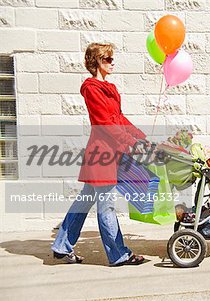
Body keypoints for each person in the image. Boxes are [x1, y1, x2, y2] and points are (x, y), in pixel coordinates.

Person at [51, 43, 150, 266]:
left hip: (110, 152)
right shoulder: (92, 88)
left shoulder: (110, 88)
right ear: (96, 61)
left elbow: (119, 117)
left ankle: (61, 245)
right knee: (106, 206)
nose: (112, 63)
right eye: (107, 59)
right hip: (102, 155)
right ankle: (119, 255)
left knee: (85, 200)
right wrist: (131, 142)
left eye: (112, 59)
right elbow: (105, 124)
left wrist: (139, 136)